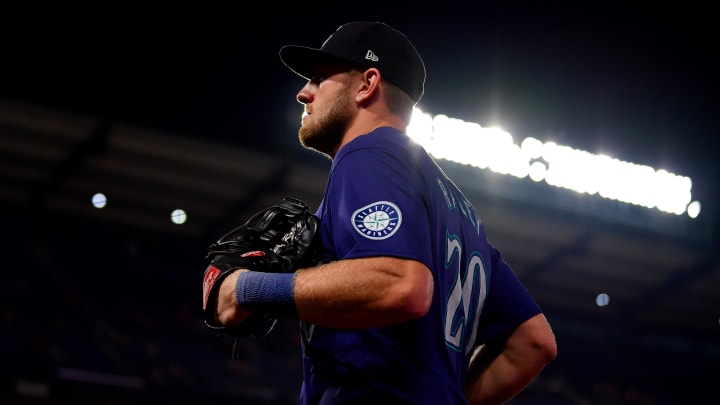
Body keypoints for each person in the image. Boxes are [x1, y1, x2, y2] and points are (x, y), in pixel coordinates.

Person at [212, 21, 557, 404]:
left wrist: (246, 288)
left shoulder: (370, 153)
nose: (303, 93)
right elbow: (533, 343)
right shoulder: (460, 212)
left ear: (367, 84)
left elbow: (402, 285)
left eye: (321, 77)